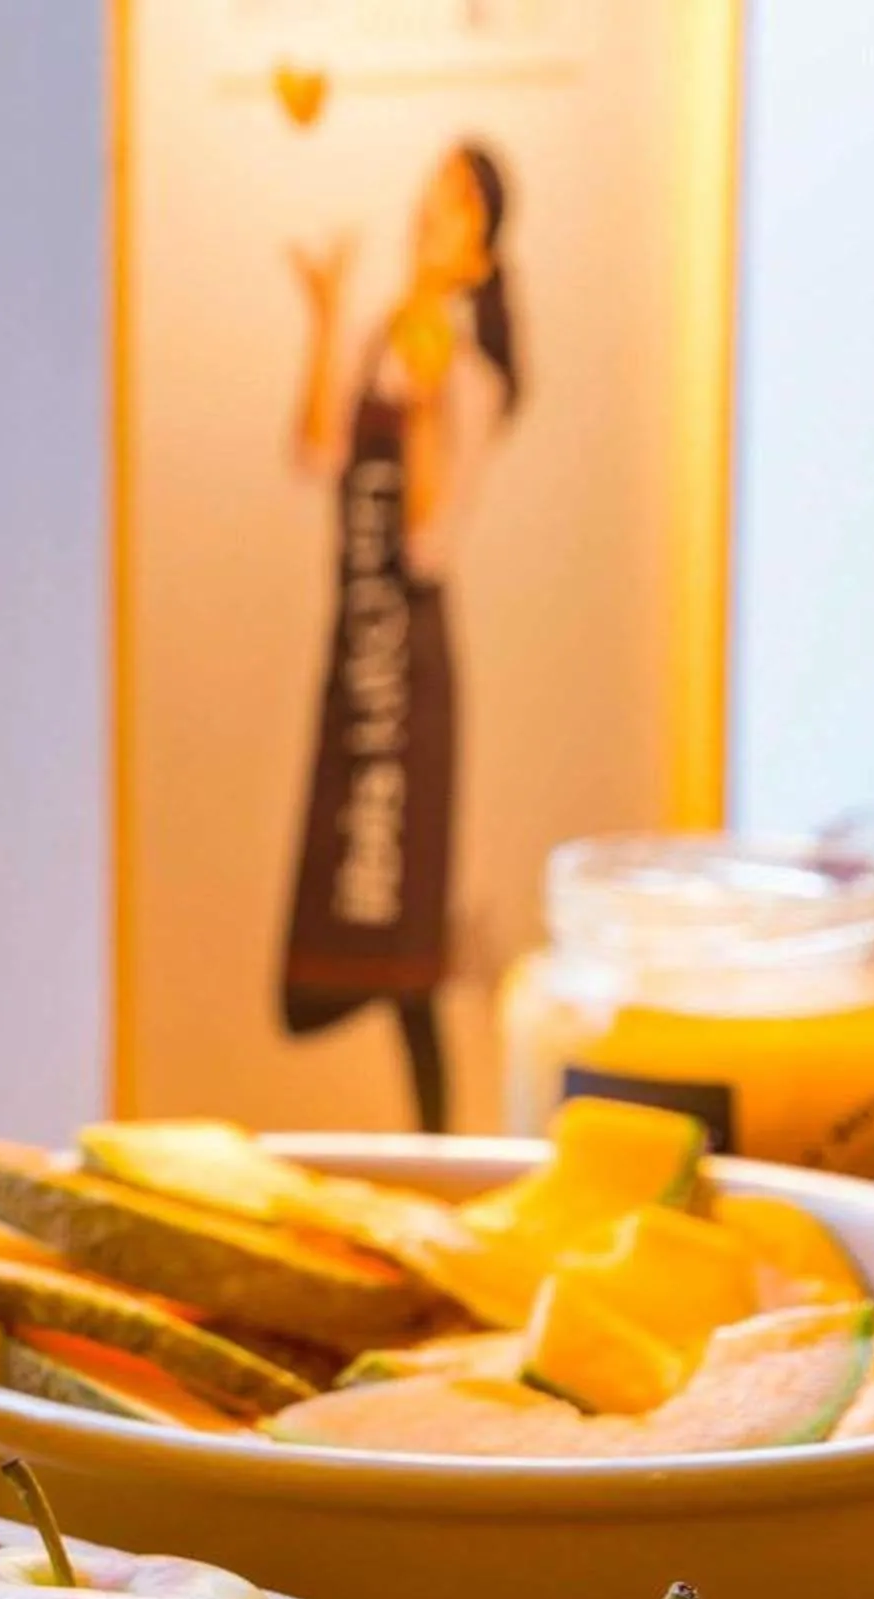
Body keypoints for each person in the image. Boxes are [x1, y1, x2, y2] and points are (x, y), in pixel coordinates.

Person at [277, 141, 521, 1133]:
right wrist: (328, 315)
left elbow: (426, 541)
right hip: (354, 655)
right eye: (431, 196)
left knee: (408, 930)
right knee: (343, 909)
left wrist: (425, 405)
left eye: (456, 205)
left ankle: (439, 1148)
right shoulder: (386, 334)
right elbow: (315, 450)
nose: (431, 215)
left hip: (408, 666)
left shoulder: (472, 375)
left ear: (484, 247)